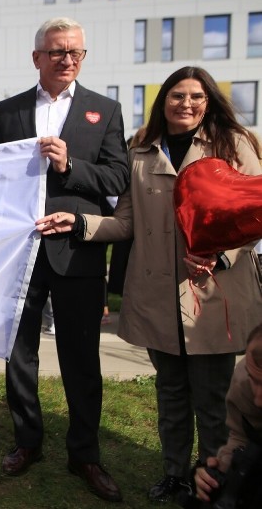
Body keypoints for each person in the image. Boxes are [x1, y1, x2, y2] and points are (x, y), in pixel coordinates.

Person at [37, 65, 262, 504]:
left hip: (214, 294)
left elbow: (254, 212)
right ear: (164, 102)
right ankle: (176, 474)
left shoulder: (234, 145)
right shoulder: (140, 149)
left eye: (197, 96)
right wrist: (79, 222)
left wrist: (218, 255)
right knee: (171, 393)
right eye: (177, 96)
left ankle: (217, 480)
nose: (187, 104)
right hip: (159, 295)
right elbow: (125, 222)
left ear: (209, 101)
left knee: (213, 399)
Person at [0, 17, 128, 502]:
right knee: (18, 354)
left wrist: (71, 166)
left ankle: (84, 454)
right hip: (19, 253)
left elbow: (116, 179)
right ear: (37, 58)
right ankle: (27, 443)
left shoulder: (104, 111)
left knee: (81, 359)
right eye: (57, 52)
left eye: (76, 53)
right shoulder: (7, 112)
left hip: (78, 254)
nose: (67, 60)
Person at [193, 324, 262, 506]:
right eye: (256, 381)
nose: (258, 400)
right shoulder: (244, 382)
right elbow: (240, 437)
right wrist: (221, 474)